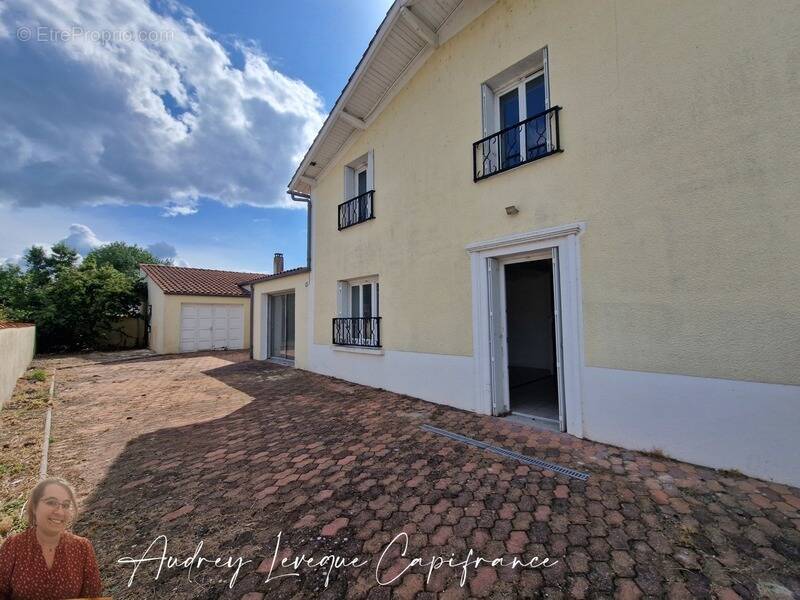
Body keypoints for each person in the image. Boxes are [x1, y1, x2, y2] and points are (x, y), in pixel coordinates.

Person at [0, 477, 102, 599]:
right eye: (51, 502)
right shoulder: (13, 546)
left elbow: (92, 597)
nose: (59, 512)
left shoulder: (82, 548)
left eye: (65, 505)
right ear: (34, 506)